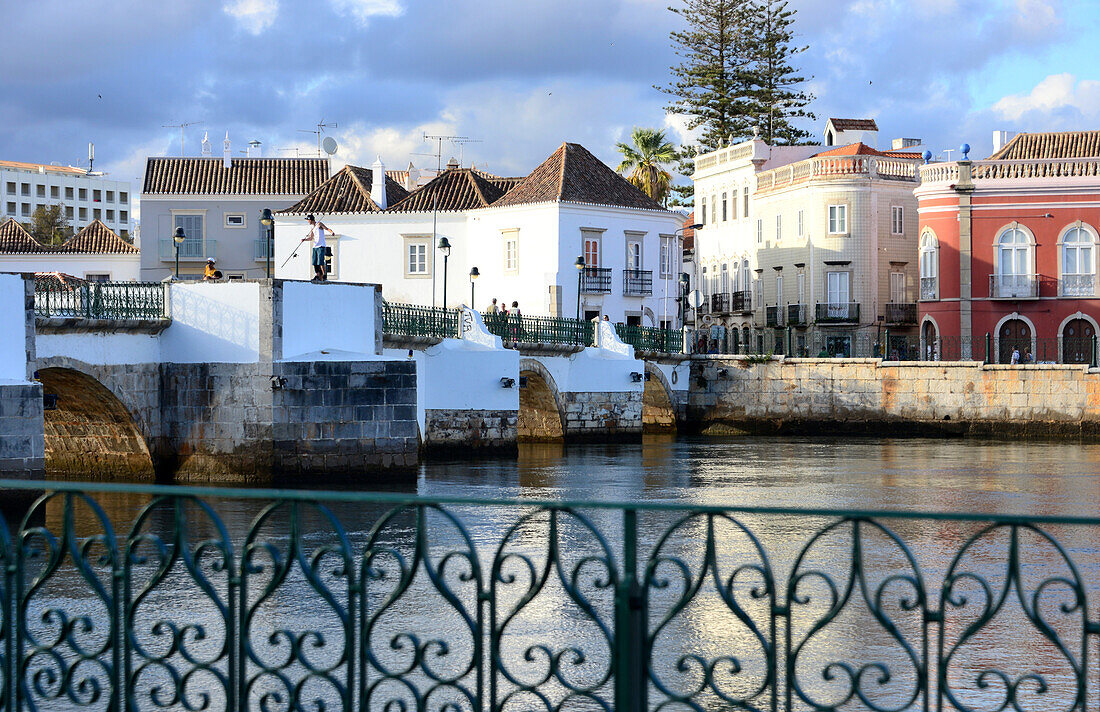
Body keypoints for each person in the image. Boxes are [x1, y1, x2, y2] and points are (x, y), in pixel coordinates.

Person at [300, 214, 335, 282]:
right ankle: (317, 275)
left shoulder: (319, 224)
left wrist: (332, 232)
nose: (307, 221)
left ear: (310, 220)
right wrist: (304, 239)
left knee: (320, 262)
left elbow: (327, 228)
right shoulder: (312, 227)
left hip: (321, 246)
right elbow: (311, 238)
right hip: (315, 246)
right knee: (315, 262)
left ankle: (324, 275)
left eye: (308, 220)